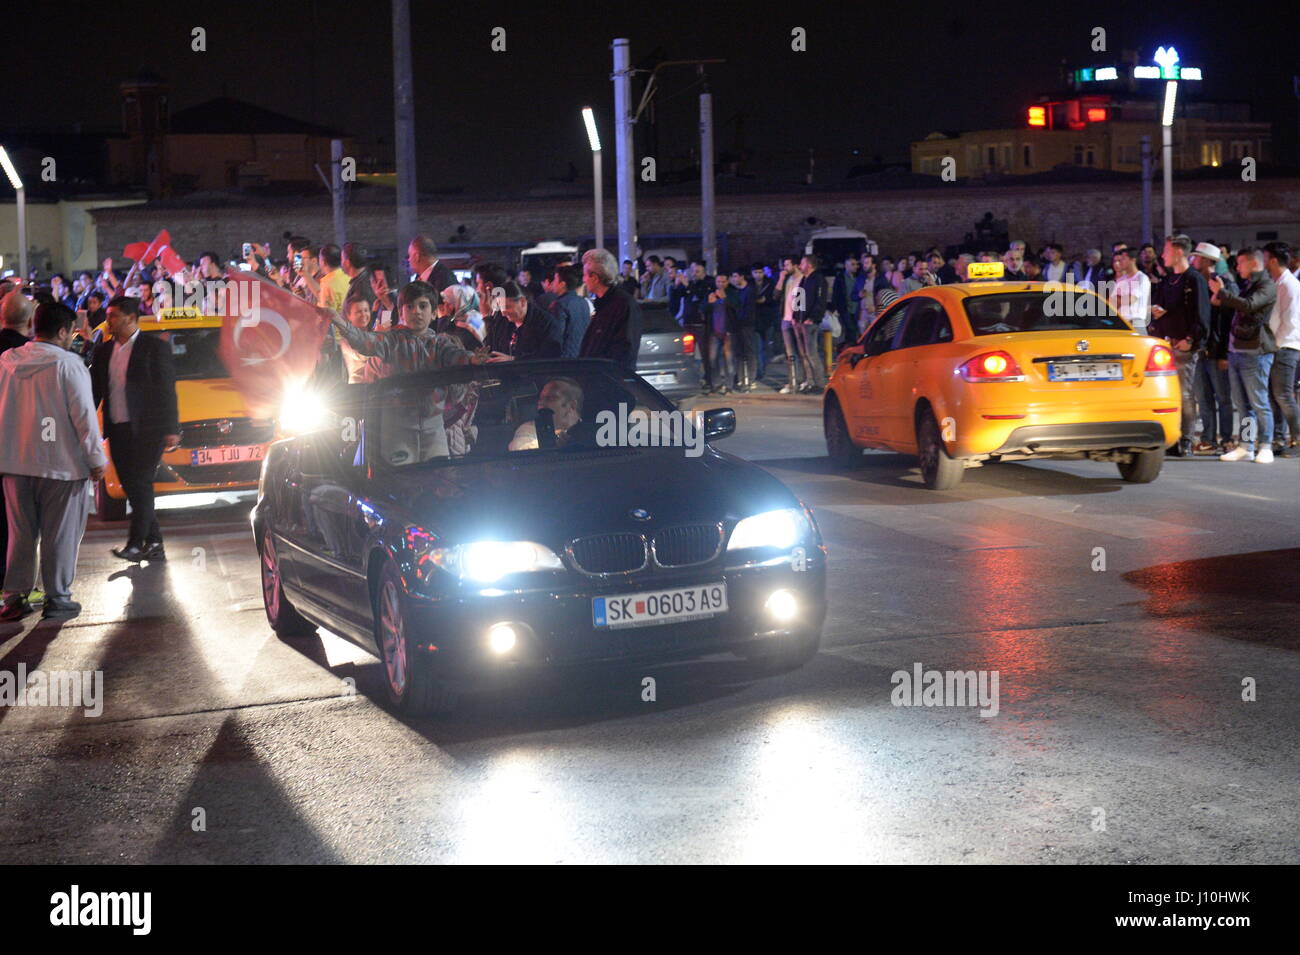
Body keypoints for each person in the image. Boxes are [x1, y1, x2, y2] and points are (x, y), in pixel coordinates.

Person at [0, 303, 107, 620]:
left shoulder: (7, 361)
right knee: (60, 534)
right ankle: (57, 597)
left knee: (20, 534)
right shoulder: (69, 365)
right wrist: (96, 459)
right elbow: (84, 417)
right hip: (61, 465)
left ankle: (15, 597)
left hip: (15, 463)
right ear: (62, 331)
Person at [90, 296, 181, 562]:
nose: (109, 321)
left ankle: (135, 544)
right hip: (117, 429)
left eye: (114, 315)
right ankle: (154, 542)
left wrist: (171, 428)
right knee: (132, 486)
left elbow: (167, 389)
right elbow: (96, 391)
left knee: (141, 483)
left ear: (131, 318)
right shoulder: (104, 351)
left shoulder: (153, 347)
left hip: (148, 429)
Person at [328, 281, 487, 377]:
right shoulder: (390, 341)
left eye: (422, 306)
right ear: (402, 311)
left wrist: (472, 359)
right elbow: (365, 342)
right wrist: (340, 323)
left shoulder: (439, 344)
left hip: (432, 423)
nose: (416, 311)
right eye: (409, 306)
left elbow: (455, 355)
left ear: (433, 313)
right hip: (398, 421)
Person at [1149, 235, 1210, 456]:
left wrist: (1191, 340)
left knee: (1184, 394)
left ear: (1178, 252)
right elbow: (1162, 308)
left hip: (1184, 344)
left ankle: (1185, 439)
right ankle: (1171, 436)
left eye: (1166, 251)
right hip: (1167, 344)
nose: (1162, 255)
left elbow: (1201, 314)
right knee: (1169, 394)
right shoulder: (1167, 281)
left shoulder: (1194, 280)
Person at [1215, 249, 1277, 463]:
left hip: (1256, 352)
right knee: (1242, 404)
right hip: (1236, 350)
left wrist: (1223, 293)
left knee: (1259, 401)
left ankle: (1266, 445)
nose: (1237, 267)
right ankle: (1246, 445)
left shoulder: (1266, 285)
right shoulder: (1247, 284)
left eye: (1241, 263)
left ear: (1253, 263)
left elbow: (1249, 305)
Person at [1189, 243, 1237, 454]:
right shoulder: (1196, 283)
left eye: (1197, 257)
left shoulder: (1225, 285)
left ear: (1208, 261)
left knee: (1223, 398)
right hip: (1199, 349)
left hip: (1218, 351)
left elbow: (1230, 322)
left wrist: (1225, 352)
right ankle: (1209, 438)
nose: (1194, 261)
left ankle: (1227, 439)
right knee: (1204, 398)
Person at [578, 248, 642, 373]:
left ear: (595, 278)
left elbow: (624, 349)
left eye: (585, 275)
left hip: (610, 381)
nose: (584, 280)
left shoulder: (622, 305)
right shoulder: (604, 304)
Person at [509, 377, 589, 451]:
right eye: (541, 398)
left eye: (550, 398)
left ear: (572, 406)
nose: (541, 403)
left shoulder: (592, 433)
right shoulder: (529, 429)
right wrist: (554, 446)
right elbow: (522, 451)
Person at [490, 281, 563, 361]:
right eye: (500, 307)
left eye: (507, 307)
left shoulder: (546, 323)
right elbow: (493, 345)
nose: (503, 312)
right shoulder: (502, 319)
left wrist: (515, 360)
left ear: (522, 302)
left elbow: (550, 356)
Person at [793, 254, 827, 393]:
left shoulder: (818, 280)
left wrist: (812, 318)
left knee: (812, 353)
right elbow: (799, 299)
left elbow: (820, 301)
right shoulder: (804, 280)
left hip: (809, 322)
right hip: (800, 321)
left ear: (809, 265)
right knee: (805, 354)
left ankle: (820, 383)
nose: (800, 265)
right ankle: (810, 381)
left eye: (802, 262)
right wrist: (795, 316)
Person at [776, 256, 805, 394]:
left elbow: (801, 302)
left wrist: (797, 318)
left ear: (795, 265)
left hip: (797, 320)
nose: (785, 268)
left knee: (802, 352)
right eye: (784, 265)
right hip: (785, 319)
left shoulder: (802, 279)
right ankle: (792, 381)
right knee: (790, 353)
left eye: (787, 265)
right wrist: (781, 279)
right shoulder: (787, 279)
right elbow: (775, 295)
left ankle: (804, 380)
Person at [548, 264, 589, 359]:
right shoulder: (583, 302)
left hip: (565, 359)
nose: (553, 283)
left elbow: (555, 337)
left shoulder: (559, 305)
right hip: (583, 355)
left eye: (555, 280)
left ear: (562, 284)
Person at [1108, 246, 1151, 331]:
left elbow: (1131, 299)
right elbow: (1111, 302)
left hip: (1135, 322)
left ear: (1133, 260)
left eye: (1124, 259)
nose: (1121, 262)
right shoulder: (1121, 280)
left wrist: (1118, 298)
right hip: (1121, 323)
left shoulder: (1141, 278)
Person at [475, 263, 513, 354]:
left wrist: (486, 316)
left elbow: (493, 349)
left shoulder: (505, 313)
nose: (476, 289)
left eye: (478, 283)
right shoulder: (497, 310)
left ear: (489, 286)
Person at [750, 262, 777, 382]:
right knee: (758, 347)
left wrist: (766, 300)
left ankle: (763, 368)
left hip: (768, 319)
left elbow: (775, 299)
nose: (758, 275)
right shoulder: (750, 284)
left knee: (766, 347)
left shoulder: (770, 283)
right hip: (755, 320)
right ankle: (759, 371)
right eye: (756, 272)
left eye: (760, 272)